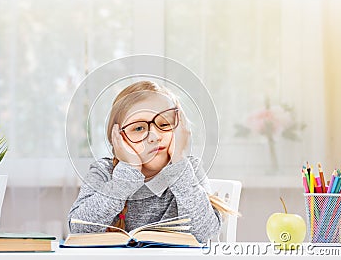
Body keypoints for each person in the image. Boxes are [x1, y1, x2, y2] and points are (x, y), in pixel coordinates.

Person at [68, 81, 236, 243]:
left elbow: (206, 232)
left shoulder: (187, 170)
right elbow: (78, 229)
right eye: (139, 128)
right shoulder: (104, 172)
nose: (154, 137)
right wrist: (127, 174)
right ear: (117, 138)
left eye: (164, 124)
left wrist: (179, 164)